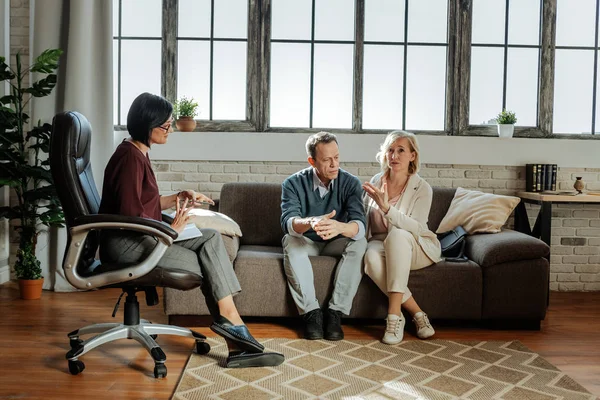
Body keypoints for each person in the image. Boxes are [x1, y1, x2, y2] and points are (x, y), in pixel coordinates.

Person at [98, 92, 284, 368]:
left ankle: (232, 324)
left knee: (210, 237)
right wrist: (172, 229)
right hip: (127, 244)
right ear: (147, 125)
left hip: (140, 236)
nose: (170, 129)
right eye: (165, 125)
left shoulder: (137, 153)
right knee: (203, 263)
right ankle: (235, 335)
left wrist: (176, 198)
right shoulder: (129, 160)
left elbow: (140, 204)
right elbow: (129, 218)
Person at [280, 132, 367, 341]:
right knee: (289, 241)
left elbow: (360, 225)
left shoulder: (351, 183)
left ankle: (335, 313)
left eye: (336, 157)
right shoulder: (292, 184)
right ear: (312, 161)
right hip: (307, 241)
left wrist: (339, 227)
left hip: (336, 241)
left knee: (360, 242)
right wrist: (310, 221)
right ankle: (311, 313)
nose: (334, 164)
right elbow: (288, 223)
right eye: (327, 160)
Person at [362, 130, 442, 345]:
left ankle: (394, 317)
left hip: (415, 245)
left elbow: (416, 227)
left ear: (412, 156)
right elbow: (366, 220)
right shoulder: (377, 181)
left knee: (397, 235)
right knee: (369, 259)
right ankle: (418, 314)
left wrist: (387, 208)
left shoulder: (422, 188)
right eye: (390, 150)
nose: (394, 156)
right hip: (379, 241)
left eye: (400, 150)